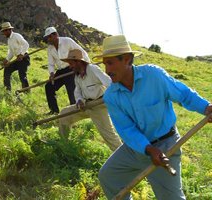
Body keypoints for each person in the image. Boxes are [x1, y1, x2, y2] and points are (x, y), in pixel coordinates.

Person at [93, 35, 212, 199]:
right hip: (136, 148)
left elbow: (183, 94)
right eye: (105, 64)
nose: (107, 70)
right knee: (109, 176)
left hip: (166, 145)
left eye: (110, 63)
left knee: (171, 198)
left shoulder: (154, 76)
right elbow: (127, 130)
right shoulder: (111, 96)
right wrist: (148, 149)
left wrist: (206, 108)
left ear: (127, 60)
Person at [58, 49, 122, 151]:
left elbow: (109, 82)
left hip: (99, 105)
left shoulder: (92, 69)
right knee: (64, 115)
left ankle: (123, 155)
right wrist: (79, 100)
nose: (70, 66)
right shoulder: (77, 76)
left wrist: (112, 95)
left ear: (78, 62)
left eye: (71, 63)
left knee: (109, 135)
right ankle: (64, 146)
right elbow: (77, 91)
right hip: (85, 105)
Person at [43, 26, 90, 115]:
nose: (48, 39)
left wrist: (86, 66)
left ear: (55, 35)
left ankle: (75, 112)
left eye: (49, 37)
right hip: (60, 71)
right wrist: (52, 73)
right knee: (49, 86)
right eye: (47, 38)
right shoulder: (50, 48)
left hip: (71, 69)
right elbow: (51, 63)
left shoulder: (67, 41)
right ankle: (54, 110)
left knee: (72, 91)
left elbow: (81, 52)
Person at [0, 22, 30, 91]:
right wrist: (6, 60)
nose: (3, 34)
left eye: (4, 32)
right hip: (17, 59)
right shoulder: (9, 40)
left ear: (8, 30)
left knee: (22, 75)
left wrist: (22, 54)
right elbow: (11, 52)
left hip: (24, 58)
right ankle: (8, 90)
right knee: (7, 69)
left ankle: (26, 91)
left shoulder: (16, 36)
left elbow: (26, 44)